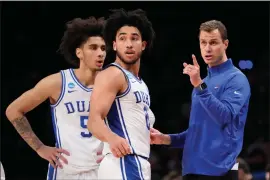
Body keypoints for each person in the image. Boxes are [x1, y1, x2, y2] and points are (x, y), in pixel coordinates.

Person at [5, 16, 106, 180]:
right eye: (93, 48)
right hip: (66, 169)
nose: (100, 53)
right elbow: (13, 110)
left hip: (103, 168)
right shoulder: (58, 82)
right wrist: (40, 148)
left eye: (103, 48)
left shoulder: (112, 84)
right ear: (79, 52)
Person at [150, 20, 251, 180]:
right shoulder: (202, 83)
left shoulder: (236, 79)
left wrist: (199, 85)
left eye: (213, 42)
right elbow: (199, 132)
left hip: (219, 170)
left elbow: (225, 116)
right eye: (203, 42)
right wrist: (167, 139)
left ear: (225, 44)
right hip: (192, 169)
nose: (207, 48)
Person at [87, 8, 156, 179]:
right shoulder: (113, 74)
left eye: (134, 38)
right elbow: (93, 120)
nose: (129, 44)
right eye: (122, 38)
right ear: (115, 44)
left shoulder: (141, 83)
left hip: (138, 163)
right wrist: (111, 138)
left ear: (143, 44)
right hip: (123, 162)